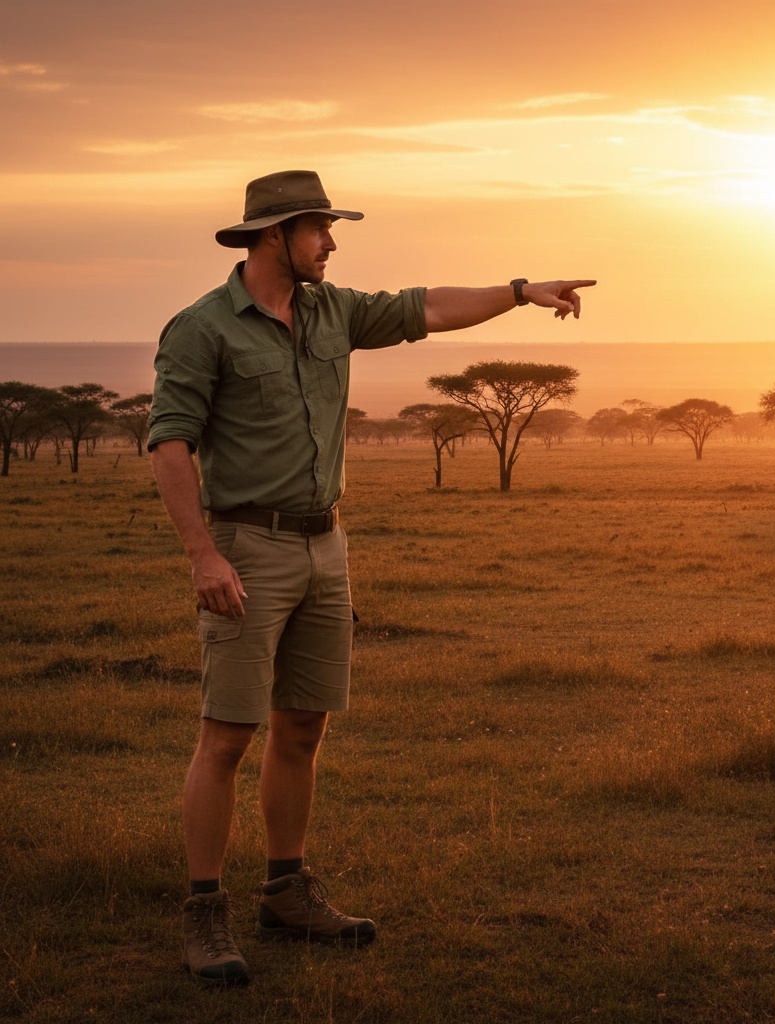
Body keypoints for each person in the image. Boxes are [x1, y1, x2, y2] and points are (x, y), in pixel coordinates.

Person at [147, 169, 595, 987]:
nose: (331, 240)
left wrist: (524, 290)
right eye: (318, 228)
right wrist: (202, 555)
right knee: (227, 737)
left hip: (327, 544)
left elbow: (431, 306)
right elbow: (170, 443)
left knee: (304, 728)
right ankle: (203, 914)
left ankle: (286, 892)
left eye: (328, 227)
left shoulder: (333, 310)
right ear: (272, 236)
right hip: (247, 545)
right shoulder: (202, 328)